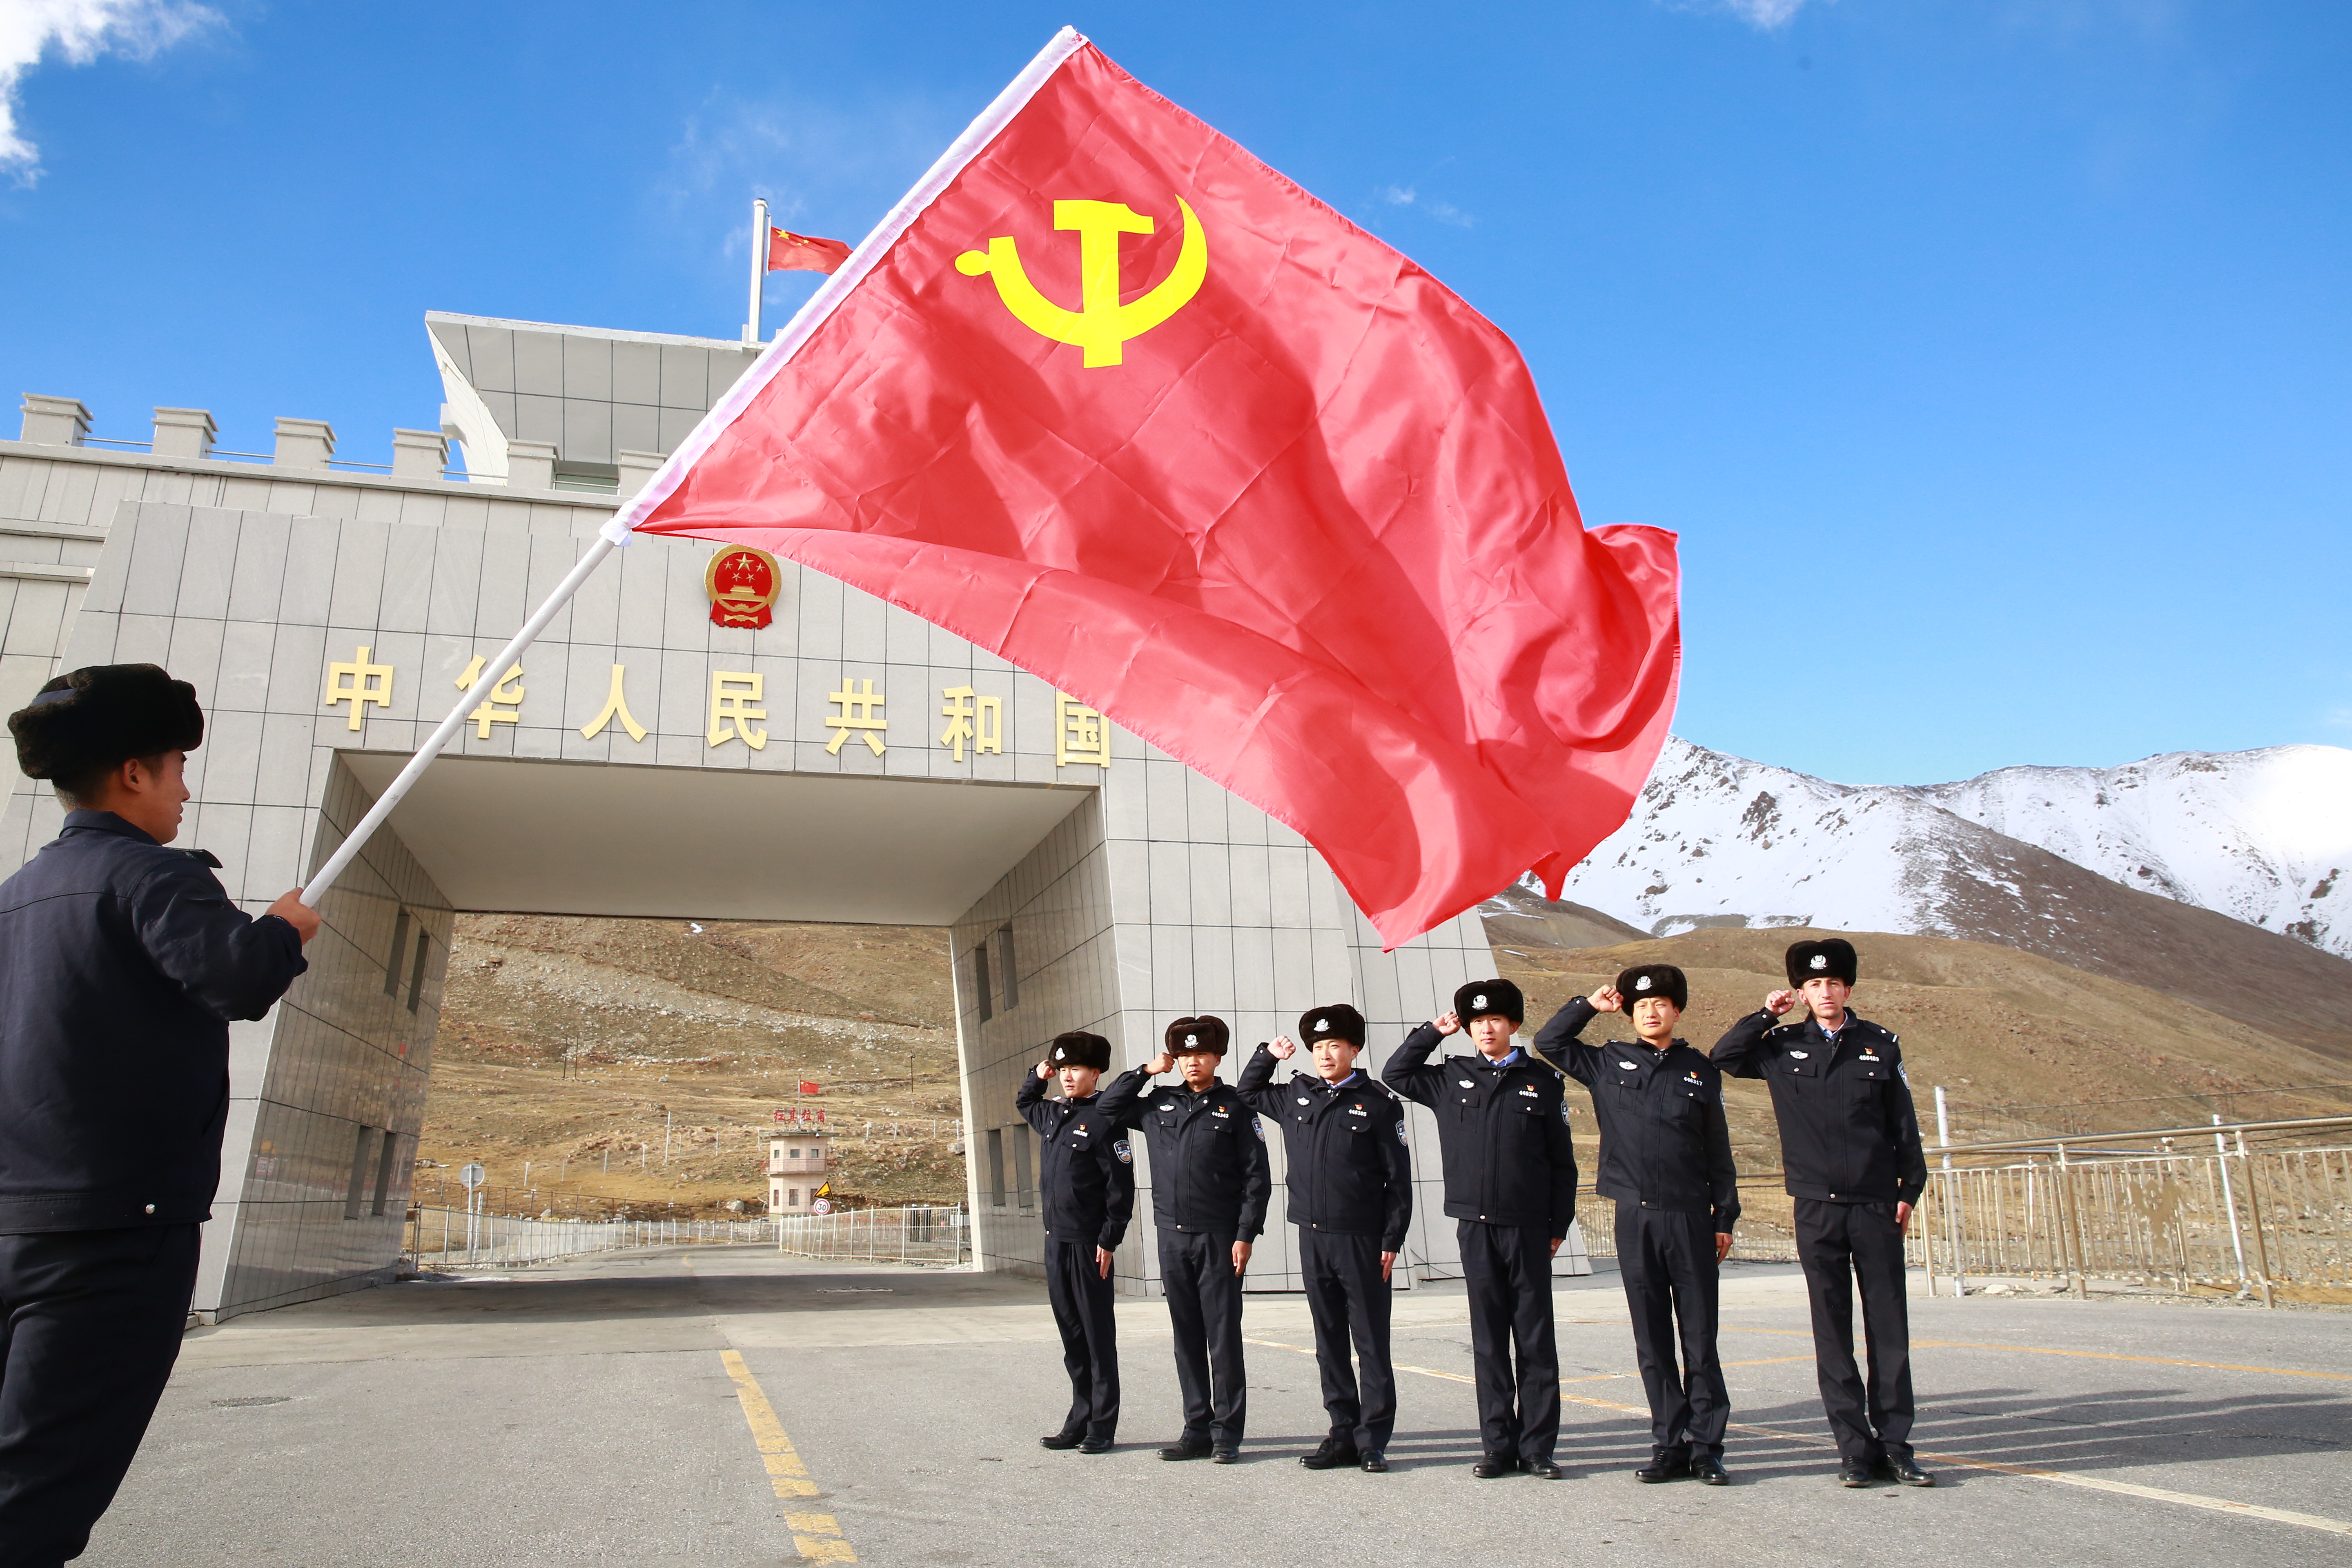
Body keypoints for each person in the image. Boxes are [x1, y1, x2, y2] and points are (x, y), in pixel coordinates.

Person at [0, 664, 319, 1567]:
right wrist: (283, 932)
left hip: (16, 1220)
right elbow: (237, 978)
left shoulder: (18, 894)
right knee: (35, 1499)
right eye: (177, 768)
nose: (183, 790)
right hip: (111, 1239)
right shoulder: (149, 876)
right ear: (134, 773)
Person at [1711, 937, 1933, 1488]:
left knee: (1889, 1329)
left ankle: (1897, 1447)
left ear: (1848, 989)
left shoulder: (1879, 1045)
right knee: (1832, 1332)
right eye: (1814, 984)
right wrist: (1766, 1015)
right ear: (1802, 993)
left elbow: (1903, 1123)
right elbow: (1724, 1057)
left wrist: (1910, 1188)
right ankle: (1854, 1450)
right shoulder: (1781, 1046)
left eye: (1834, 983)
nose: (1825, 992)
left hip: (1876, 1205)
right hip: (1816, 1208)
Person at [1534, 963, 1738, 1485]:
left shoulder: (1699, 1069)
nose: (1650, 1012)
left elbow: (1718, 1151)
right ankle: (1669, 1443)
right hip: (1635, 1215)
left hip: (1691, 1216)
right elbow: (1549, 1041)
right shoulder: (1607, 1062)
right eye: (1641, 1005)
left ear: (1677, 1010)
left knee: (1700, 1337)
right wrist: (1589, 1006)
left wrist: (1724, 1216)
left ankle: (1707, 1448)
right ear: (1630, 1014)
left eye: (1660, 1004)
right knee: (1652, 1337)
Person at [1384, 979, 1577, 1479]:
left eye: (1494, 1020)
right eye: (1476, 1022)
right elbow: (1396, 1073)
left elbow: (1562, 1163)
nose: (1485, 1029)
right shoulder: (1451, 1078)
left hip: (1529, 1226)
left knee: (1535, 1339)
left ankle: (1537, 1448)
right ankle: (1497, 1446)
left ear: (1513, 1024)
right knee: (1489, 1339)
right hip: (1475, 1226)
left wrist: (1558, 1223)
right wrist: (1432, 1033)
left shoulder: (1542, 1081)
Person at [1235, 1004, 1410, 1473]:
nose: (1326, 1055)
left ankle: (1372, 1440)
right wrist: (1267, 1056)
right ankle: (1342, 1433)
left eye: (1335, 1046)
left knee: (1370, 1342)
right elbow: (1248, 1092)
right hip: (1312, 1237)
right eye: (1317, 1047)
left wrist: (1392, 1238)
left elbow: (1398, 1181)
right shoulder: (1297, 1095)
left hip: (1363, 1239)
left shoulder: (1379, 1103)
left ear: (1355, 1049)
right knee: (1328, 1340)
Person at [1096, 1016, 1271, 1463]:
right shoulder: (1159, 1103)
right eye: (1185, 1055)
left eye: (1202, 1055)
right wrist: (1146, 1072)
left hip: (1219, 1237)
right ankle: (1196, 1427)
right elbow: (1107, 1108)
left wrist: (1246, 1234)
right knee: (1186, 1336)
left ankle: (1227, 1432)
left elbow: (1257, 1178)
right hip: (1172, 1238)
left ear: (1218, 1058)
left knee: (1222, 1337)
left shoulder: (1237, 1106)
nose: (1193, 1062)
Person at [1016, 1030, 1136, 1454]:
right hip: (1057, 1243)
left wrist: (1109, 1238)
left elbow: (1120, 1188)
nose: (1068, 1077)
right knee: (1072, 1337)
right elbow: (1025, 1102)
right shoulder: (1053, 1114)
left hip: (1089, 1245)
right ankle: (1079, 1419)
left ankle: (1102, 1425)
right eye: (1063, 1069)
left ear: (1096, 1072)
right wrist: (1038, 1075)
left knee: (1097, 1338)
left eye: (1076, 1069)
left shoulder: (1106, 1118)